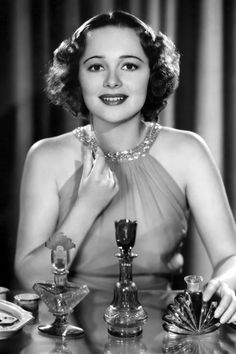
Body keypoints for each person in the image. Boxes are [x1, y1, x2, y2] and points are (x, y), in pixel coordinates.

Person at [15, 10, 236, 324]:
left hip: (166, 336)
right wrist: (86, 206)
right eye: (96, 66)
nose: (112, 80)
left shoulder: (188, 151)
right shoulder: (46, 156)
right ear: (77, 77)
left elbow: (231, 258)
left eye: (129, 65)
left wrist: (225, 286)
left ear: (152, 73)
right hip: (66, 338)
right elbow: (31, 279)